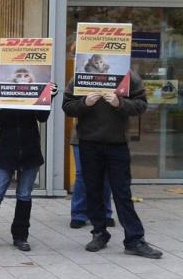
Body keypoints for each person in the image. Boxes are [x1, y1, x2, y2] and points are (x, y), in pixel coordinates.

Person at [62, 73, 162, 259]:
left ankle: (134, 240)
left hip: (117, 143)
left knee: (122, 192)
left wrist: (120, 103)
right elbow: (67, 107)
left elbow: (141, 105)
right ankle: (99, 233)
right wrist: (85, 103)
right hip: (89, 142)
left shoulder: (127, 75)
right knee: (94, 190)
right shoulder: (81, 74)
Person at [0, 85, 57, 252]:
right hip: (7, 152)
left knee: (24, 195)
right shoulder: (3, 91)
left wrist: (48, 96)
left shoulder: (34, 89)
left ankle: (20, 236)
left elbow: (42, 117)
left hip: (29, 151)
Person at [70, 125, 115, 229]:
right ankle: (78, 214)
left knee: (105, 175)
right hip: (82, 136)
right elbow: (72, 109)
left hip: (107, 137)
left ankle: (105, 213)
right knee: (81, 175)